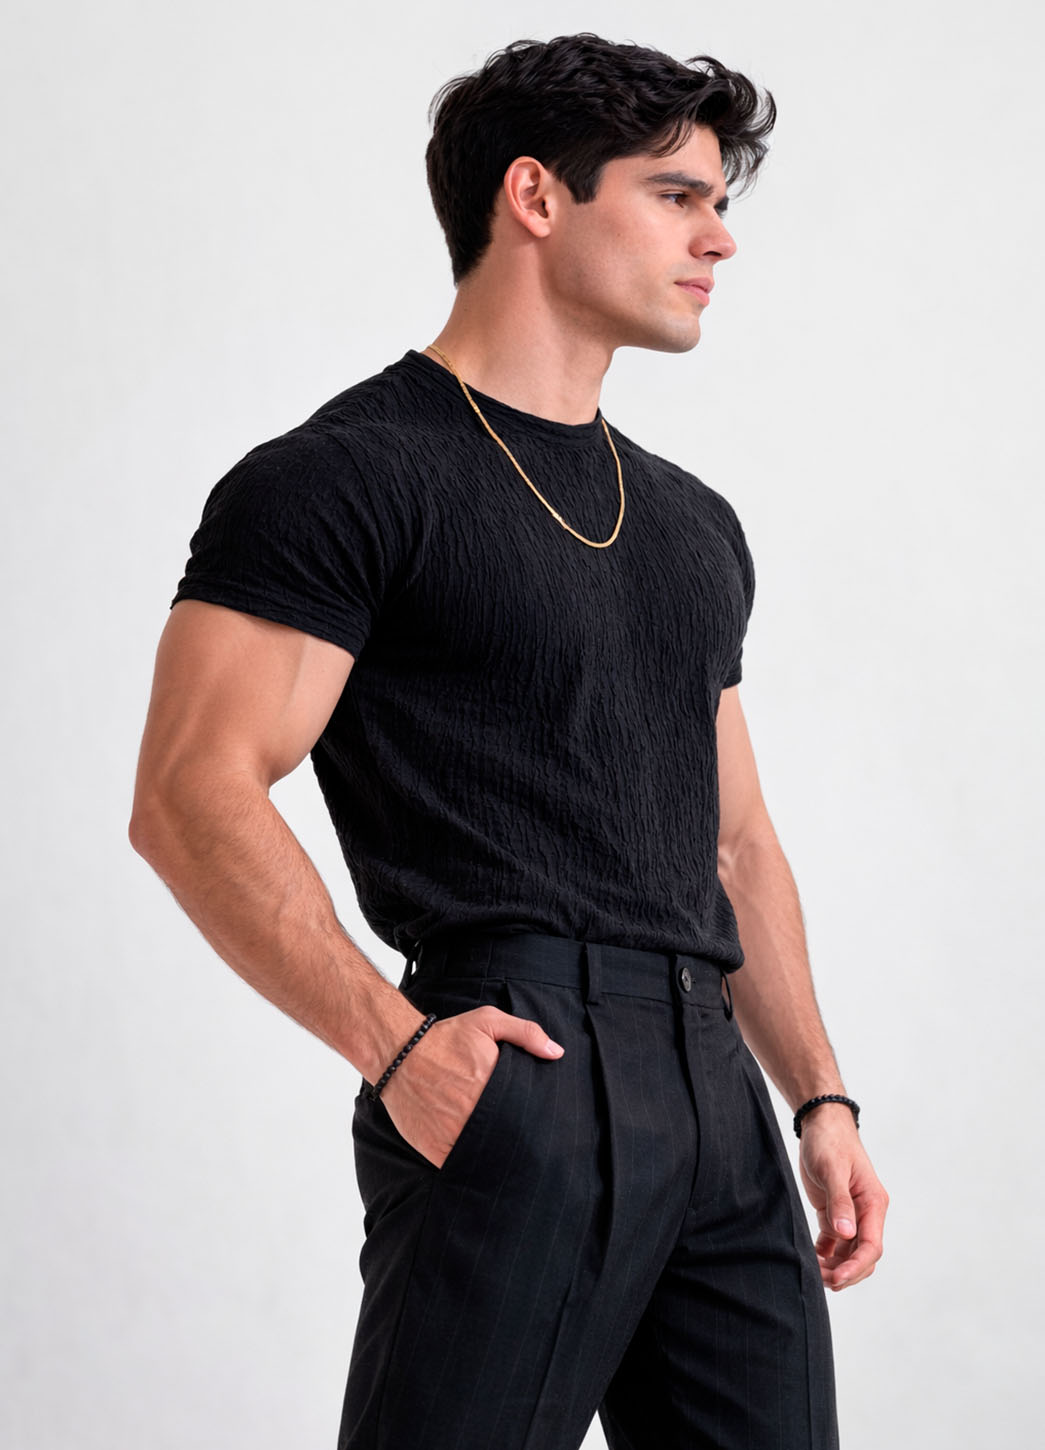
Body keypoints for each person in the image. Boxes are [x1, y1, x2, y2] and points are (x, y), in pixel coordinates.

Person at [129, 32, 888, 1450]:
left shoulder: (690, 523)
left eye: (719, 202)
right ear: (535, 196)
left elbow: (732, 843)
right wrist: (396, 1045)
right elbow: (187, 792)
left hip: (717, 1094)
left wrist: (818, 1098)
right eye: (675, 196)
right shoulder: (342, 479)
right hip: (517, 1062)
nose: (719, 239)